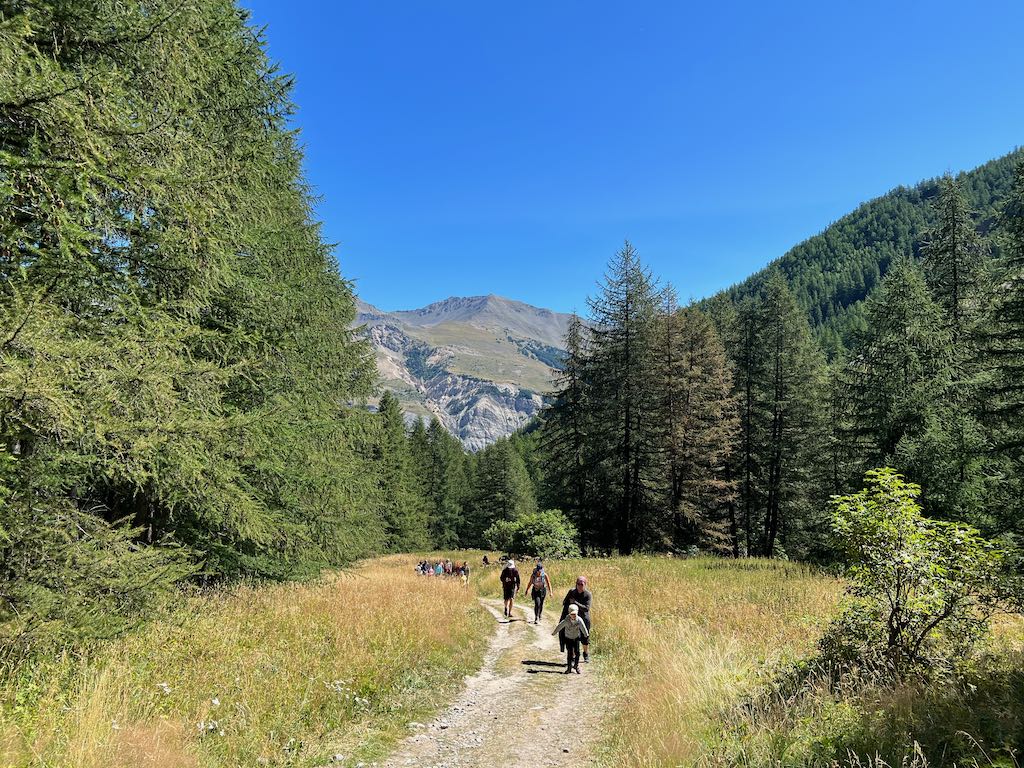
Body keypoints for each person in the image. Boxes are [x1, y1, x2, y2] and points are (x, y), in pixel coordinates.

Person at [560, 576, 593, 663]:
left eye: (581, 584)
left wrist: (575, 603)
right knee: (574, 637)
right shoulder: (572, 592)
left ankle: (586, 654)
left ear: (585, 585)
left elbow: (586, 608)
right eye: (578, 584)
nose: (579, 586)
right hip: (572, 619)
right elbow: (564, 602)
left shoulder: (588, 594)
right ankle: (573, 656)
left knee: (585, 638)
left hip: (584, 619)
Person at [552, 604, 589, 674]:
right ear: (569, 614)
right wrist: (554, 632)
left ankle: (576, 665)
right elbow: (560, 626)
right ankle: (569, 668)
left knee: (577, 653)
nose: (573, 616)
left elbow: (583, 627)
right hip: (568, 638)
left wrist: (586, 634)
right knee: (570, 653)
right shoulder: (566, 620)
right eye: (572, 614)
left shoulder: (579, 620)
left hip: (576, 637)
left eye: (575, 614)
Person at [526, 560, 552, 624]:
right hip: (535, 590)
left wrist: (550, 592)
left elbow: (548, 583)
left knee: (541, 604)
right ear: (536, 570)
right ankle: (536, 617)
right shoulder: (533, 575)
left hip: (543, 590)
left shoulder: (544, 575)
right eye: (538, 570)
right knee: (537, 603)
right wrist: (527, 590)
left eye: (540, 570)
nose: (539, 572)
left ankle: (540, 615)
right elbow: (530, 583)